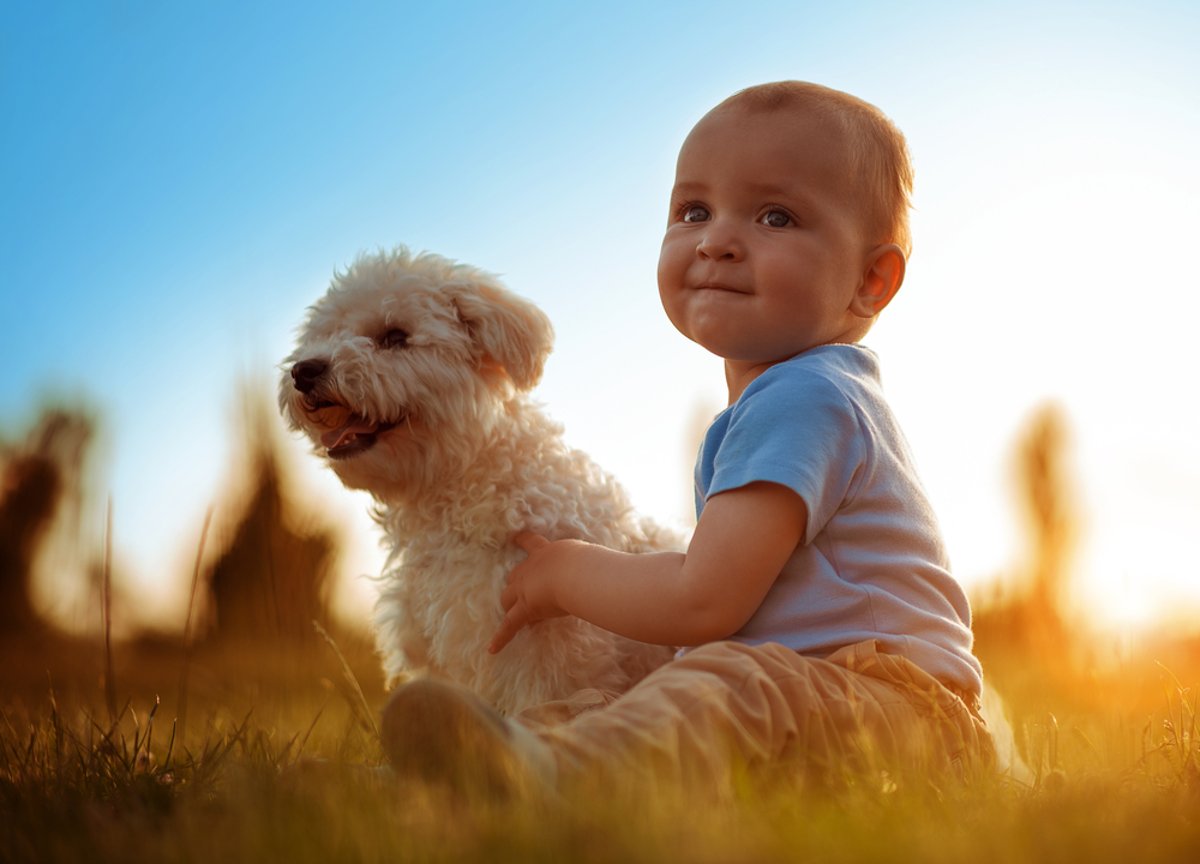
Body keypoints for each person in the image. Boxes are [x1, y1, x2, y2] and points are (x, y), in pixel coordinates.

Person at [382, 80, 994, 798]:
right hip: (827, 701)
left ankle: (548, 775)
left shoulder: (807, 395)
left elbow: (705, 599)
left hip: (901, 712)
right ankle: (467, 774)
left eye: (775, 216)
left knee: (720, 685)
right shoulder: (795, 400)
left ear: (870, 280)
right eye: (693, 211)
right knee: (650, 700)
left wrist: (569, 572)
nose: (718, 241)